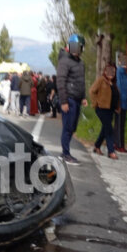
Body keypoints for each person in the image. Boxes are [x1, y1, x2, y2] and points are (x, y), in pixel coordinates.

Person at [57, 34, 88, 165]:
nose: (78, 50)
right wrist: (64, 101)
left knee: (73, 127)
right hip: (68, 99)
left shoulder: (80, 62)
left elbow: (81, 81)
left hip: (77, 98)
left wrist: (83, 97)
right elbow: (61, 81)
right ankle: (65, 154)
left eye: (80, 48)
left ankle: (65, 152)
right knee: (68, 127)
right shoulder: (64, 61)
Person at [90, 64, 120, 160]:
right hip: (101, 109)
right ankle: (111, 151)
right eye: (109, 71)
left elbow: (115, 96)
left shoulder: (114, 83)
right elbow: (92, 91)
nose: (111, 73)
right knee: (109, 129)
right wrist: (95, 103)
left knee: (105, 128)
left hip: (111, 110)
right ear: (106, 72)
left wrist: (117, 106)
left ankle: (97, 146)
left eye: (113, 71)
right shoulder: (101, 80)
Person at [114, 54, 127, 153]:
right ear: (120, 62)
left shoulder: (124, 73)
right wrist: (119, 103)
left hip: (124, 102)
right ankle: (119, 145)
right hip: (121, 103)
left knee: (119, 124)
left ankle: (117, 143)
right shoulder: (120, 72)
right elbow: (120, 88)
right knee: (120, 124)